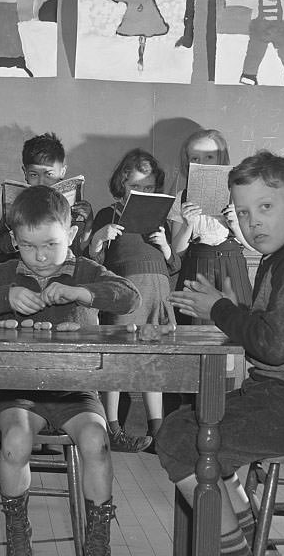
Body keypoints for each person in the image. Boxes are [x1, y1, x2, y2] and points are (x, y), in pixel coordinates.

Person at [161, 150, 284, 556]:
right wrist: (234, 311)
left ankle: (237, 550)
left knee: (180, 438)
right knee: (184, 426)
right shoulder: (283, 255)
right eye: (243, 213)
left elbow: (275, 347)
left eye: (265, 206)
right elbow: (276, 331)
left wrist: (220, 310)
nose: (254, 222)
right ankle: (251, 544)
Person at [0, 184, 140, 556]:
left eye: (51, 245)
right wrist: (2, 297)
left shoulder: (86, 270)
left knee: (97, 444)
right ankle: (18, 533)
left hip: (77, 391)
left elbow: (129, 296)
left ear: (71, 235)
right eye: (27, 245)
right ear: (13, 240)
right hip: (19, 392)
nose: (39, 257)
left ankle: (97, 540)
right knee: (16, 442)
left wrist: (81, 293)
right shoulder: (6, 273)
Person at [89, 148, 178, 453]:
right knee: (115, 361)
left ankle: (159, 430)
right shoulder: (108, 213)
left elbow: (174, 264)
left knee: (153, 363)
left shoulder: (160, 218)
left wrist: (166, 246)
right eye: (136, 188)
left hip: (158, 290)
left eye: (149, 188)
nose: (142, 193)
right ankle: (112, 427)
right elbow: (93, 258)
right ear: (122, 183)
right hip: (125, 291)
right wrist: (101, 237)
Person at [169, 129, 252, 326]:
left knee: (236, 328)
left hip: (232, 267)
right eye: (195, 158)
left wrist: (235, 225)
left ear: (221, 159)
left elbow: (254, 245)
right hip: (196, 266)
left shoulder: (239, 194)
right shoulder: (182, 197)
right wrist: (188, 224)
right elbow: (177, 251)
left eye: (209, 157)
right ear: (187, 163)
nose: (203, 163)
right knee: (195, 331)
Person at [0, 132, 93, 259]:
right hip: (24, 269)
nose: (41, 182)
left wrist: (89, 222)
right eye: (34, 175)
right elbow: (2, 245)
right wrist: (16, 235)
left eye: (49, 174)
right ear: (25, 173)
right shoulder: (17, 203)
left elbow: (79, 250)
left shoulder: (71, 203)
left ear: (62, 171)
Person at [109, 0, 169, 72]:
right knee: (141, 39)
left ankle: (140, 59)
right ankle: (140, 59)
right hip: (140, 20)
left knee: (142, 38)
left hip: (143, 20)